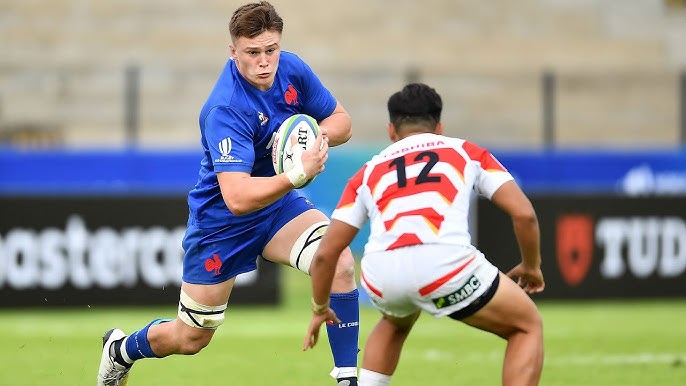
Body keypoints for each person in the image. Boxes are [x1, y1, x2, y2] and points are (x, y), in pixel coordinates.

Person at [96, 2, 360, 385]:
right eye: (252, 53)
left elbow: (342, 121)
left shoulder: (293, 69)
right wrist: (295, 173)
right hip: (223, 222)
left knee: (339, 262)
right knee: (190, 337)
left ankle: (348, 378)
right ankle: (120, 350)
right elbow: (236, 197)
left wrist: (312, 138)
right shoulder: (226, 108)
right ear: (233, 51)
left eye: (271, 50)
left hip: (277, 207)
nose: (264, 62)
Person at [303, 83, 545, 386]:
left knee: (395, 320)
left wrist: (320, 308)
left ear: (392, 130)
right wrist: (531, 265)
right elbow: (524, 214)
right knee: (526, 325)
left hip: (382, 274)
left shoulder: (368, 171)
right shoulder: (466, 152)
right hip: (444, 263)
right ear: (439, 127)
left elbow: (327, 253)